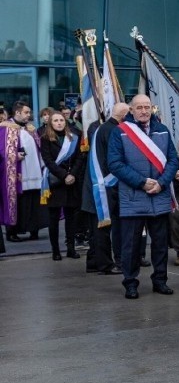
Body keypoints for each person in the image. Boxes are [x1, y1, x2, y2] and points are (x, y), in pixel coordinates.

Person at [108, 95, 179, 299]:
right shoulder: (119, 132)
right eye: (139, 107)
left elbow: (173, 160)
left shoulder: (162, 130)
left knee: (160, 244)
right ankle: (130, 283)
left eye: (147, 107)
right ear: (131, 110)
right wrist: (142, 182)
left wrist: (161, 182)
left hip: (159, 196)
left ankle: (160, 281)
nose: (144, 111)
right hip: (133, 196)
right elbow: (115, 164)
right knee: (131, 246)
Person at [80, 103, 129, 274]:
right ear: (123, 116)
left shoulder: (103, 128)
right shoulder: (112, 131)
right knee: (103, 227)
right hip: (103, 187)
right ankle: (105, 264)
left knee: (96, 228)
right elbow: (116, 160)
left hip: (94, 185)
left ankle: (93, 262)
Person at [1, 102, 48, 242]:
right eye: (26, 112)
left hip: (34, 172)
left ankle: (34, 230)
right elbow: (2, 150)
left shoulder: (31, 129)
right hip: (17, 173)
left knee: (34, 202)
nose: (29, 115)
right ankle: (12, 232)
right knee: (18, 202)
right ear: (17, 113)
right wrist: (14, 156)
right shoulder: (5, 129)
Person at [40, 112, 84, 260]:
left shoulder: (74, 137)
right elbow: (48, 161)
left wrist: (73, 175)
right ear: (50, 123)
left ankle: (71, 249)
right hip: (56, 182)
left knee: (71, 218)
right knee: (54, 218)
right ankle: (56, 251)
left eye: (61, 120)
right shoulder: (45, 139)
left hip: (71, 182)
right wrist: (64, 175)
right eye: (55, 120)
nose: (59, 123)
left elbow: (79, 157)